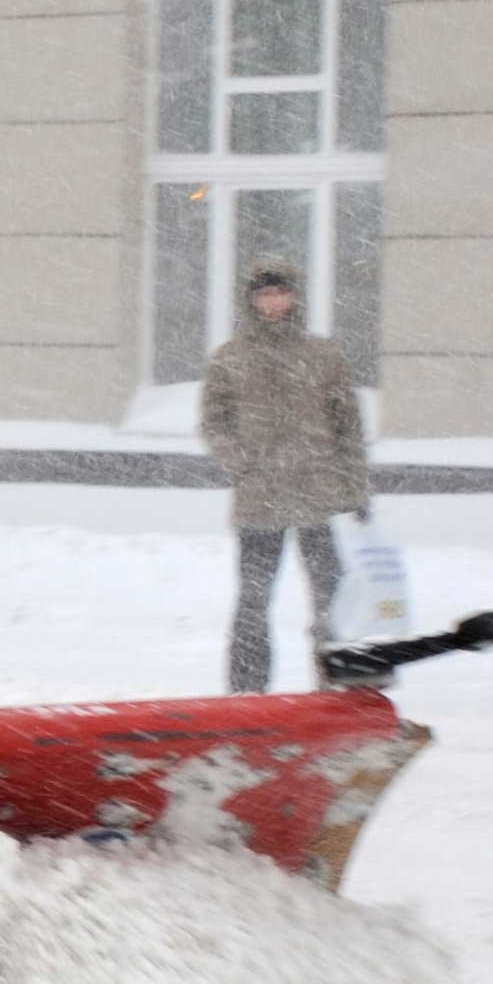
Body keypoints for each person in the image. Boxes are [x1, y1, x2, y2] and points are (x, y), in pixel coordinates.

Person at [198, 261, 371, 693]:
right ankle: (246, 695)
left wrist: (356, 486)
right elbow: (214, 422)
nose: (273, 302)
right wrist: (243, 462)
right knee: (253, 603)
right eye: (264, 294)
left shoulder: (323, 354)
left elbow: (347, 424)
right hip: (259, 501)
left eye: (280, 293)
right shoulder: (231, 357)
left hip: (317, 496)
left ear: (294, 298)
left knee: (330, 601)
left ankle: (336, 687)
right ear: (251, 300)